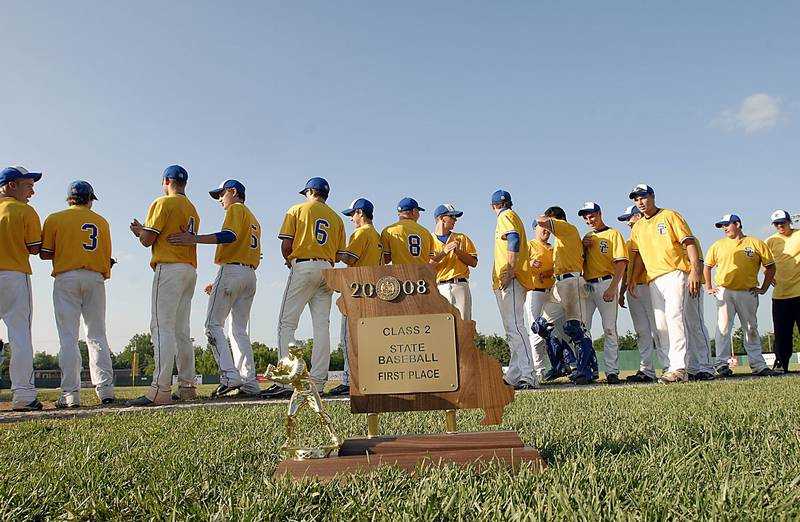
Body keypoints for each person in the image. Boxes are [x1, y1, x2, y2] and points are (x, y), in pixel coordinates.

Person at [168, 180, 262, 398]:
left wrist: (194, 239)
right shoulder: (253, 218)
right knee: (238, 330)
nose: (220, 199)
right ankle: (249, 382)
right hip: (249, 275)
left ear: (233, 192)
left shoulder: (236, 208)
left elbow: (230, 236)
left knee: (212, 325)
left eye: (221, 194)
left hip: (232, 273)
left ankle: (230, 376)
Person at [262, 177, 346, 399]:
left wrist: (289, 260)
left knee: (287, 323)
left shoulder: (298, 209)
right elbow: (339, 254)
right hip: (328, 269)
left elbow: (286, 244)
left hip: (304, 265)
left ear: (310, 191)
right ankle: (318, 382)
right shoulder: (336, 218)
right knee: (322, 327)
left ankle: (289, 380)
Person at [128, 165, 200, 406]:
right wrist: (144, 231)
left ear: (167, 181)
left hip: (169, 267)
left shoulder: (163, 202)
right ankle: (188, 386)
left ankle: (160, 390)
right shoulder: (192, 209)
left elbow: (148, 240)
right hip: (189, 269)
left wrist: (140, 232)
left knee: (161, 328)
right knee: (182, 331)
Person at [40, 181, 115, 408]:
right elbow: (106, 257)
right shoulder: (102, 222)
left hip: (66, 277)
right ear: (90, 199)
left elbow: (44, 253)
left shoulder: (55, 218)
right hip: (94, 278)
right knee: (97, 335)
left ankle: (71, 394)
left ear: (69, 199)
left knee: (68, 338)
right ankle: (105, 390)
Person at [627, 184, 703, 383]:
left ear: (652, 196)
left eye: (643, 197)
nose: (640, 202)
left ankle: (679, 367)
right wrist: (633, 279)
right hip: (653, 279)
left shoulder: (670, 216)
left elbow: (689, 243)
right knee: (661, 325)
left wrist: (695, 271)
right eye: (636, 199)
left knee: (675, 317)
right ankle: (670, 365)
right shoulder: (638, 227)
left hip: (675, 272)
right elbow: (639, 257)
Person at [704, 214, 775, 377]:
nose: (724, 228)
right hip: (725, 291)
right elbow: (707, 266)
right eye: (722, 226)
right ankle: (722, 365)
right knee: (723, 328)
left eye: (727, 225)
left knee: (751, 328)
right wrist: (709, 287)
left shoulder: (755, 243)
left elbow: (770, 267)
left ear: (738, 224)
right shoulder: (718, 245)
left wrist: (763, 288)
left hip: (748, 291)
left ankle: (758, 365)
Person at [536, 206, 598, 385]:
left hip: (572, 281)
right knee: (541, 326)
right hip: (559, 282)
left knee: (575, 328)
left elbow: (541, 220)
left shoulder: (567, 227)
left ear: (555, 219)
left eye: (550, 222)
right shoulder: (561, 240)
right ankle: (561, 365)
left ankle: (587, 369)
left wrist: (546, 219)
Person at [327, 198, 382, 397]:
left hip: (357, 291)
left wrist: (335, 251)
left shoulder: (361, 233)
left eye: (352, 214)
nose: (351, 219)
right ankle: (368, 378)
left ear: (360, 213)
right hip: (372, 290)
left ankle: (348, 380)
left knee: (349, 338)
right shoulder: (377, 235)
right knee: (368, 339)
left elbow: (350, 258)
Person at [0, 166, 43, 411]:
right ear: (11, 185)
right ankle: (24, 396)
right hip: (13, 275)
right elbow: (35, 247)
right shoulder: (23, 210)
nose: (32, 192)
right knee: (19, 336)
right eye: (28, 186)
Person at [490, 190, 537, 390]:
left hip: (513, 278)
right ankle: (514, 374)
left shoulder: (505, 215)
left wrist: (509, 269)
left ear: (493, 206)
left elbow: (514, 239)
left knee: (516, 327)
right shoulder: (511, 214)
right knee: (512, 329)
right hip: (512, 279)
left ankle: (529, 375)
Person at [578, 202, 628, 384]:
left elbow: (621, 263)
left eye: (591, 215)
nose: (589, 219)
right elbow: (578, 262)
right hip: (587, 284)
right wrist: (582, 247)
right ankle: (587, 370)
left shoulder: (613, 234)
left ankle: (612, 371)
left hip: (606, 281)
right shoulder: (587, 237)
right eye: (586, 217)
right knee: (583, 328)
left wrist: (613, 287)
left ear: (599, 214)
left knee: (609, 328)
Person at [617, 206, 663, 383]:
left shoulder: (649, 237)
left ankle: (669, 366)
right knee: (642, 331)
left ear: (638, 216)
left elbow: (643, 261)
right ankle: (647, 370)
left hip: (649, 285)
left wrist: (634, 280)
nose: (628, 222)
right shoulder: (629, 243)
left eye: (630, 218)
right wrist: (622, 292)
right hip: (633, 289)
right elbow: (626, 269)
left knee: (659, 328)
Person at [765, 209, 800, 373]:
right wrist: (767, 275)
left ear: (789, 221)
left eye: (782, 222)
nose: (780, 226)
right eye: (776, 223)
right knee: (781, 333)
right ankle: (781, 364)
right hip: (780, 295)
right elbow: (762, 261)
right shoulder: (770, 241)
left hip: (799, 292)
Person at [430, 203, 478, 321]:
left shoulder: (461, 238)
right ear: (441, 218)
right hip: (439, 286)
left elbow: (473, 262)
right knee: (442, 327)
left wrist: (457, 251)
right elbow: (427, 266)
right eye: (451, 217)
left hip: (459, 285)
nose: (455, 220)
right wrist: (444, 252)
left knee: (464, 324)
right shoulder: (429, 239)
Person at [524, 224, 556, 381]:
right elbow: (519, 264)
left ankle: (557, 366)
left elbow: (557, 267)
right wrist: (529, 265)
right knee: (536, 330)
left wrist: (548, 272)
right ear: (534, 229)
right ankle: (538, 370)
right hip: (534, 291)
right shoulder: (530, 245)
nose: (546, 231)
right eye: (542, 228)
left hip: (552, 291)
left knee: (553, 330)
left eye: (548, 228)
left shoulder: (553, 248)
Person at [380, 197, 433, 265]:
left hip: (401, 273)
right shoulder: (426, 232)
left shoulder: (389, 231)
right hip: (421, 274)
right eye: (418, 211)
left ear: (399, 213)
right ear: (414, 211)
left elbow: (385, 259)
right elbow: (431, 259)